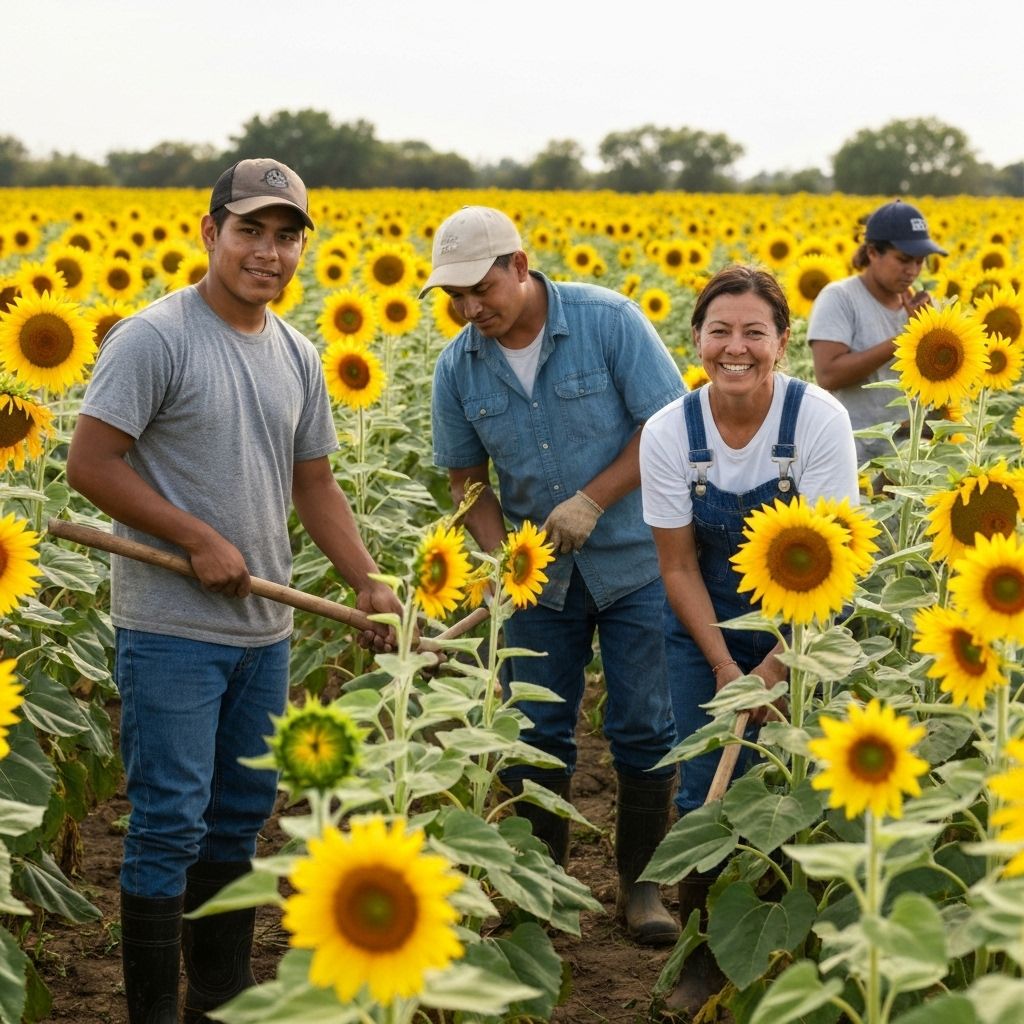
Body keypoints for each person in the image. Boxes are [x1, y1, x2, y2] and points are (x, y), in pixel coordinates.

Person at [66, 158, 401, 1024]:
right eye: (251, 230)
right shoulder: (156, 338)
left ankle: (218, 989)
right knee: (170, 819)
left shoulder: (297, 352)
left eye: (287, 236)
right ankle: (154, 1011)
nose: (270, 252)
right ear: (210, 233)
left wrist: (367, 581)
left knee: (241, 813)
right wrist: (195, 536)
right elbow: (90, 464)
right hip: (172, 626)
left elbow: (315, 485)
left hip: (265, 629)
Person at [423, 205, 685, 946]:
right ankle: (543, 887)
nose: (471, 309)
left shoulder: (608, 323)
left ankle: (642, 888)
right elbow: (466, 478)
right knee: (537, 730)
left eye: (482, 290)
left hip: (639, 560)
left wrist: (594, 499)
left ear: (519, 265)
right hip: (541, 577)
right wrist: (502, 551)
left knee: (643, 726)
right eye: (456, 298)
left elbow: (667, 428)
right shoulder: (458, 365)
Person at [639, 264, 859, 1012]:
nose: (736, 348)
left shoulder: (817, 420)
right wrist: (728, 665)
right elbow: (675, 564)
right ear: (696, 339)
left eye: (754, 333)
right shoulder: (671, 431)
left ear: (782, 341)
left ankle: (794, 939)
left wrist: (777, 664)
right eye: (719, 332)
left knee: (801, 784)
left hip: (811, 619)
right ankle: (707, 950)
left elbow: (838, 560)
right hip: (704, 619)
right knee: (709, 784)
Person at [807, 199, 947, 463]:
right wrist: (908, 336)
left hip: (911, 457)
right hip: (856, 456)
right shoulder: (840, 298)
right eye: (903, 260)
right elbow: (828, 374)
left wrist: (933, 333)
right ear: (873, 252)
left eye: (919, 262)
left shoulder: (918, 306)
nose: (913, 271)